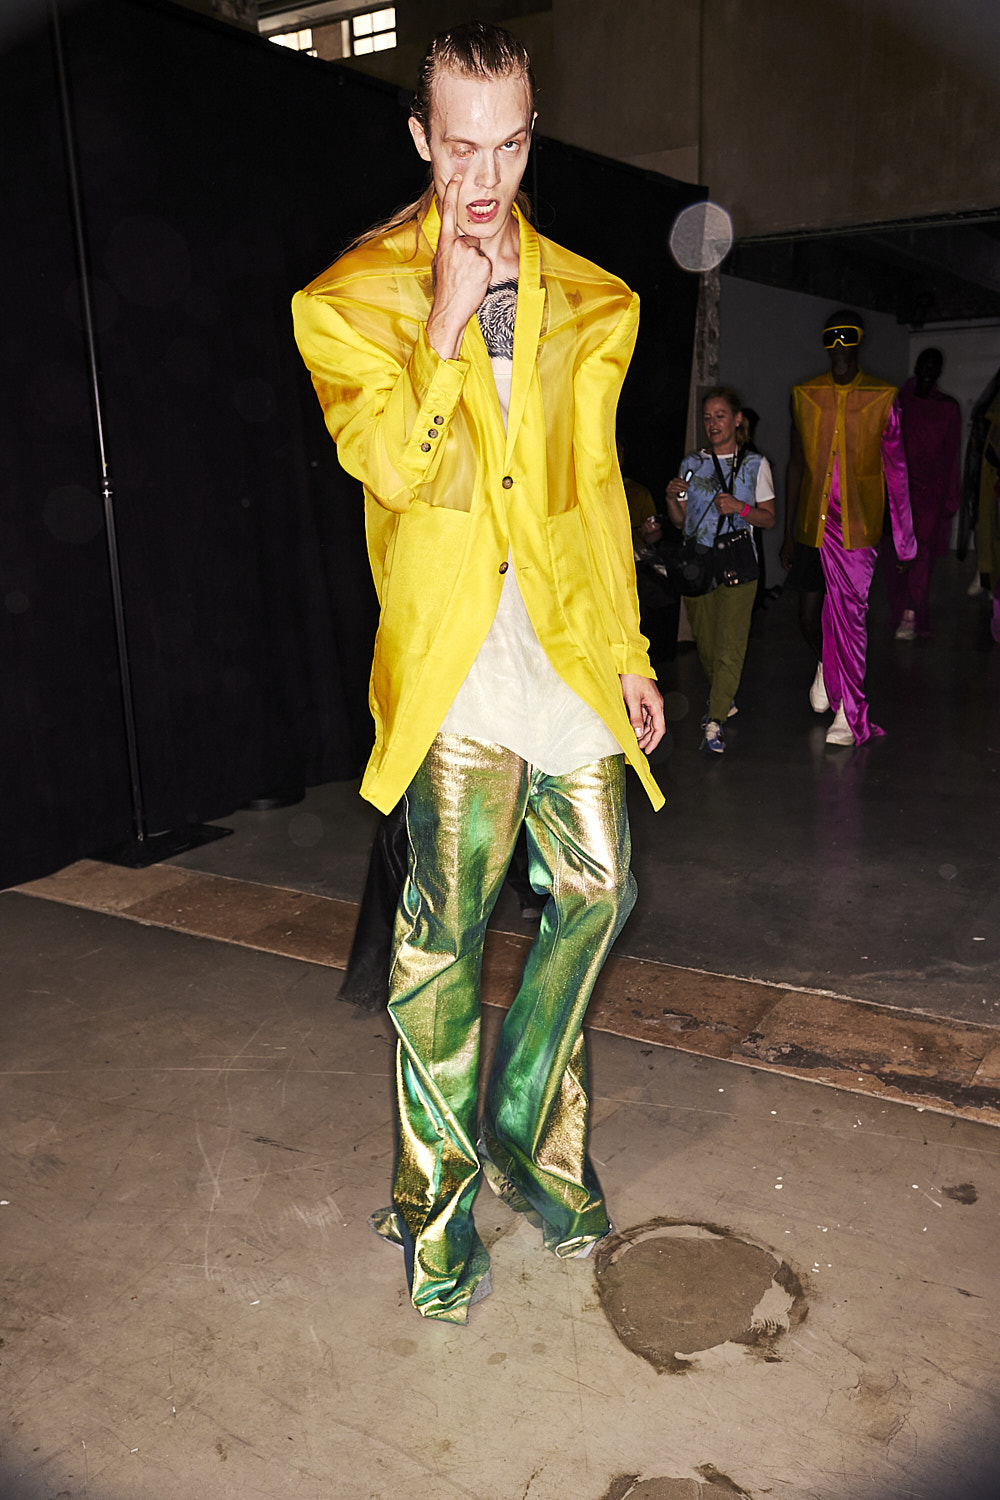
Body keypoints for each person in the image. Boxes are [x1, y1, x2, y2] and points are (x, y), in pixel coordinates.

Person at [292, 22, 664, 1324]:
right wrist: (445, 329)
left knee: (601, 890)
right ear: (419, 138)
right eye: (460, 147)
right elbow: (388, 464)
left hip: (561, 645)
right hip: (457, 666)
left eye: (509, 142)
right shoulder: (349, 300)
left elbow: (597, 494)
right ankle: (435, 1209)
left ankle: (523, 1125)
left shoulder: (595, 298)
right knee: (442, 952)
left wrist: (624, 650)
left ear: (531, 127)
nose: (487, 174)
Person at [781, 310, 915, 746]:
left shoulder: (882, 396)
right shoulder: (805, 395)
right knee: (810, 614)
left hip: (856, 528)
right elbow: (796, 464)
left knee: (850, 618)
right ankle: (827, 669)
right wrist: (787, 533)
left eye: (848, 335)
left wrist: (904, 539)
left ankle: (849, 712)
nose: (839, 344)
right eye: (831, 336)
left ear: (859, 341)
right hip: (812, 527)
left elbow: (896, 470)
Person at [663, 387, 775, 754]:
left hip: (738, 565)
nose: (713, 423)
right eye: (707, 417)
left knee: (730, 645)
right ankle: (723, 700)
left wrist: (741, 509)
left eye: (720, 416)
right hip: (697, 565)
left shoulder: (755, 464)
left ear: (737, 419)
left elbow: (769, 518)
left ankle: (714, 722)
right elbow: (681, 523)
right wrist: (672, 500)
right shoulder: (691, 464)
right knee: (708, 646)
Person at [882, 348, 961, 640]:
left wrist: (952, 495)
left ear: (939, 372)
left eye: (934, 367)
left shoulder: (948, 408)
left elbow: (952, 453)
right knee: (895, 556)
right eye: (924, 365)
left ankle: (912, 613)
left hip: (931, 493)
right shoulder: (899, 401)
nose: (928, 371)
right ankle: (899, 609)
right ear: (916, 367)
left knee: (922, 553)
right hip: (898, 492)